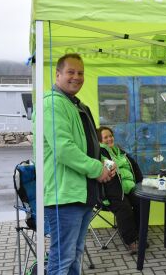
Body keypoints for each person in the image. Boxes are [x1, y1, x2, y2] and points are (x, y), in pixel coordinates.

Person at [36, 53, 116, 275]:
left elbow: (86, 147)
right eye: (70, 72)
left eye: (80, 73)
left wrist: (104, 162)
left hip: (81, 192)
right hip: (65, 195)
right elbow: (64, 149)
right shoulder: (52, 104)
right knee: (62, 259)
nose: (76, 77)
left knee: (75, 254)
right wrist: (96, 169)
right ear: (58, 74)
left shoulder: (76, 105)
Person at [97, 126, 143, 254]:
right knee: (124, 208)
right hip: (110, 192)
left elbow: (134, 166)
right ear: (100, 140)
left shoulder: (119, 151)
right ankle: (131, 241)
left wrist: (141, 185)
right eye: (105, 137)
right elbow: (103, 166)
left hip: (128, 188)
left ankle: (139, 235)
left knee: (142, 202)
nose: (109, 139)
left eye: (110, 136)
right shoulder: (100, 152)